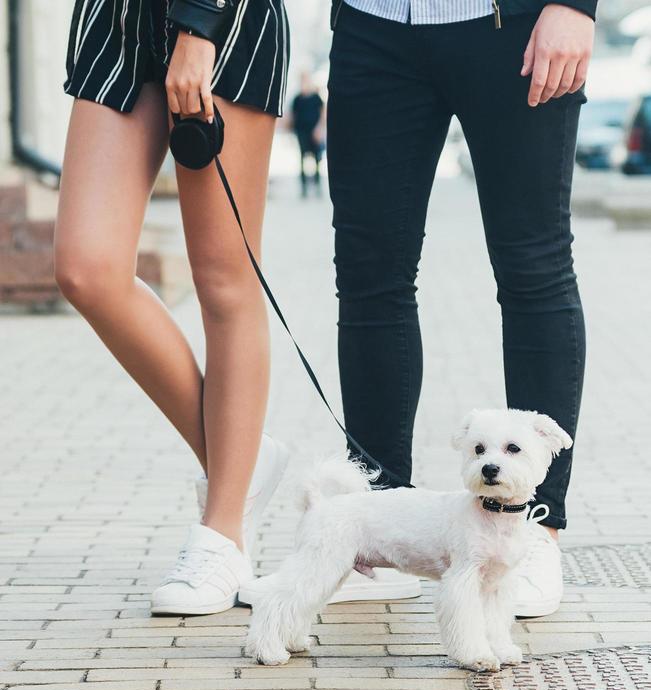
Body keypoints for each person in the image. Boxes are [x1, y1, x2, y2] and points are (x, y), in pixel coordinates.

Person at [326, 0, 595, 616]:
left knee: (534, 269)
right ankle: (379, 531)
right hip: (374, 26)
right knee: (370, 276)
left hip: (514, 25)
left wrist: (577, 6)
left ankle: (536, 530)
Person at [55, 0, 290, 617]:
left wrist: (201, 26)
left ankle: (224, 533)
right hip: (116, 20)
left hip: (220, 22)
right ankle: (241, 460)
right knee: (87, 269)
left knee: (224, 280)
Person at [291, 71, 325, 196]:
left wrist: (319, 129)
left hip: (314, 131)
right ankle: (304, 188)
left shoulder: (316, 97)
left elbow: (322, 114)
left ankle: (317, 186)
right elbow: (293, 116)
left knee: (317, 159)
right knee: (302, 159)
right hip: (301, 132)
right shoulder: (297, 99)